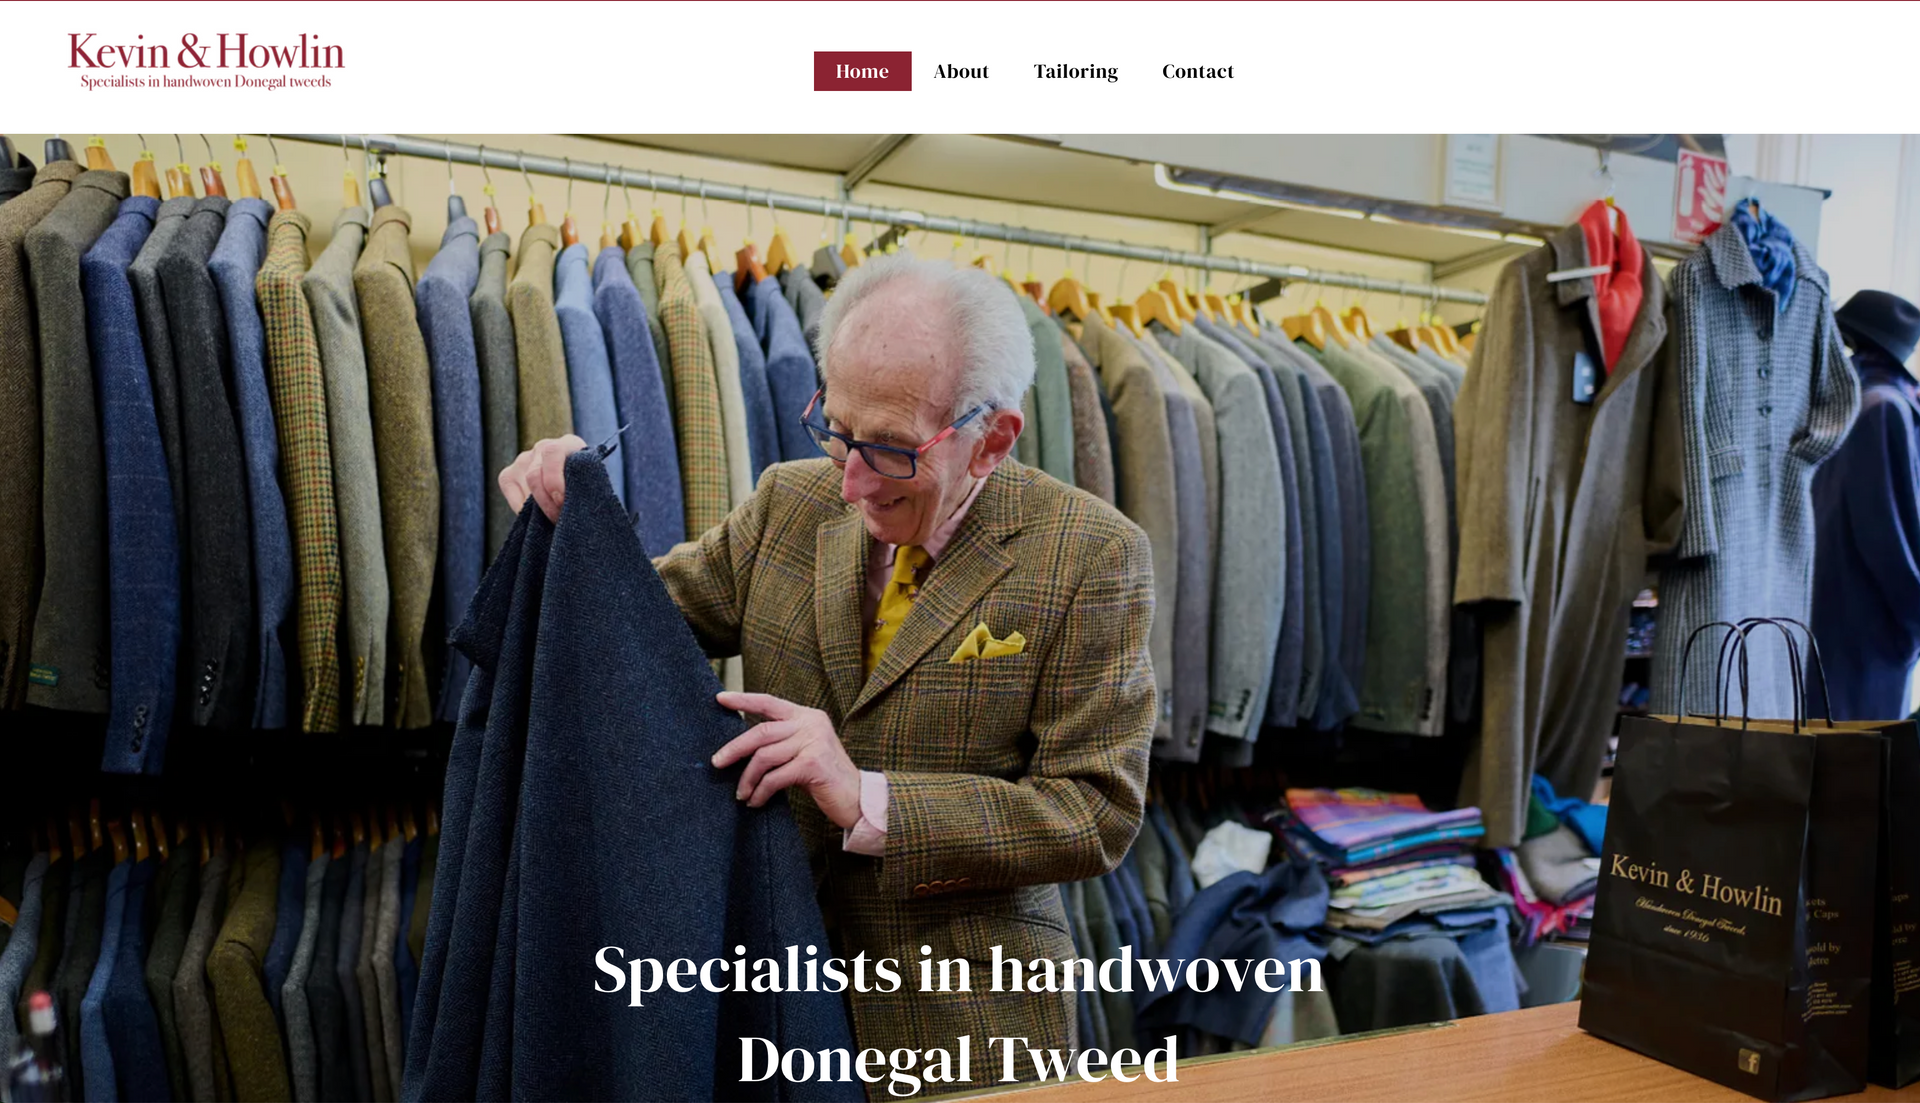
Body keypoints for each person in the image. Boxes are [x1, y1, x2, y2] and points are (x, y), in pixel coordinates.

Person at [498, 255, 1157, 1068]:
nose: (848, 482)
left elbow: (1094, 810)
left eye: (887, 450)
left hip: (964, 1025)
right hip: (768, 1003)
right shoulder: (786, 504)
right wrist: (574, 513)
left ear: (992, 439)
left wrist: (867, 798)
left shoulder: (1092, 555)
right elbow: (631, 625)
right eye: (835, 428)